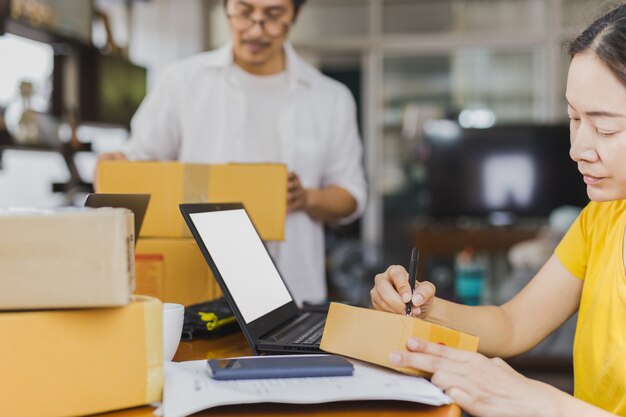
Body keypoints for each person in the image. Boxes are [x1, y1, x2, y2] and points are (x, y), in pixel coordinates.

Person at [370, 5, 626, 416]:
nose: (577, 149)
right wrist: (422, 308)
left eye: (606, 128)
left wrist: (542, 403)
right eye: (575, 119)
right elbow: (512, 325)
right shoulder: (600, 221)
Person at [99, 0, 367, 305]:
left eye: (273, 16)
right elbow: (140, 162)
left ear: (296, 13)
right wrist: (118, 168)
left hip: (296, 292)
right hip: (197, 292)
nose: (255, 29)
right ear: (226, 7)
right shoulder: (181, 81)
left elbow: (351, 196)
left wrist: (307, 197)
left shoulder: (330, 98)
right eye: (243, 12)